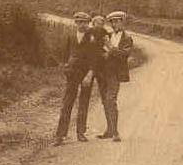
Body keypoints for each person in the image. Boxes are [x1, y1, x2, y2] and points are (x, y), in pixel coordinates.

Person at [54, 12, 106, 146]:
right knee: (67, 103)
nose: (82, 25)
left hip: (86, 74)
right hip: (72, 74)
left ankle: (80, 133)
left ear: (88, 23)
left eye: (84, 22)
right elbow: (64, 54)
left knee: (83, 103)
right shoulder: (70, 36)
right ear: (75, 23)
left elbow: (95, 58)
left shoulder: (92, 37)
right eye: (79, 22)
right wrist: (65, 67)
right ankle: (60, 135)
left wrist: (90, 74)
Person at [96, 10, 133, 142]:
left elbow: (123, 55)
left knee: (111, 100)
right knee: (105, 101)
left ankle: (115, 132)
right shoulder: (109, 35)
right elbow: (101, 50)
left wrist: (110, 48)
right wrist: (103, 54)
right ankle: (109, 130)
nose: (114, 24)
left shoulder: (127, 38)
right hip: (103, 73)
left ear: (122, 22)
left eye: (117, 21)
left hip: (115, 74)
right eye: (112, 22)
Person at [75, 15, 112, 139]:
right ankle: (80, 132)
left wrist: (107, 51)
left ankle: (111, 129)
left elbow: (110, 48)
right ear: (93, 23)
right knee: (84, 99)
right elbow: (81, 50)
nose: (99, 25)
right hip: (88, 70)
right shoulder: (88, 33)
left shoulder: (106, 34)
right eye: (96, 22)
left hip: (102, 69)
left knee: (106, 98)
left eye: (101, 23)